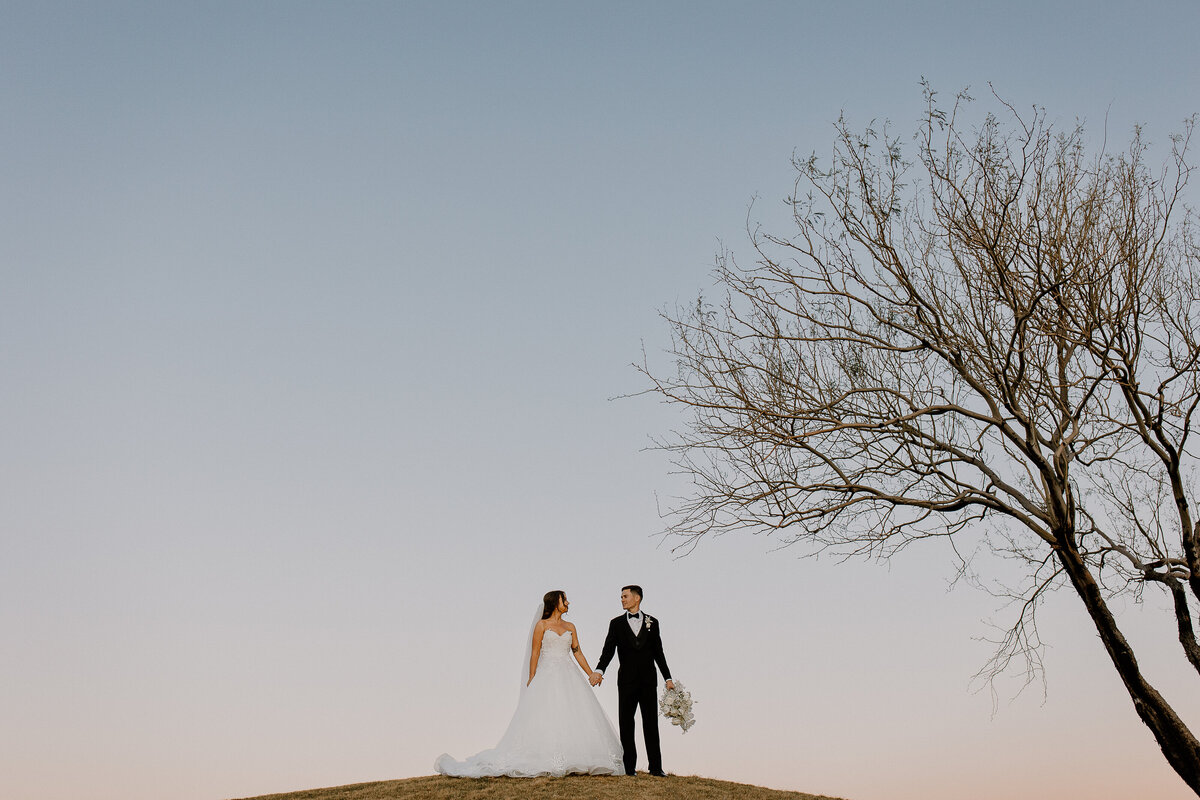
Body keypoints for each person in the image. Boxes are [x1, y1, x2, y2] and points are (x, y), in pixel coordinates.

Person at [434, 591, 623, 777]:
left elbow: (577, 652)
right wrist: (532, 677)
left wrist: (591, 674)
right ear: (554, 602)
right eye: (564, 599)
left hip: (569, 673)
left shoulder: (571, 626)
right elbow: (535, 653)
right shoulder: (541, 625)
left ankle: (576, 758)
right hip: (547, 674)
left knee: (573, 713)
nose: (568, 602)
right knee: (546, 716)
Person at [592, 584, 674, 777]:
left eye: (625, 596)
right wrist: (599, 670)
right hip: (626, 681)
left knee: (650, 723)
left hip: (648, 681)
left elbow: (658, 653)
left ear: (637, 598)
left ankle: (656, 768)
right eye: (621, 597)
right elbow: (608, 651)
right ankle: (629, 768)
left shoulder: (653, 622)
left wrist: (668, 678)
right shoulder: (616, 624)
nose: (622, 599)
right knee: (626, 723)